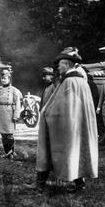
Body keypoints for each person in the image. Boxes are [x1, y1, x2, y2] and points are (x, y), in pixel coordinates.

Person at [35, 48, 98, 193]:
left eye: (61, 64)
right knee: (78, 151)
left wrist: (45, 113)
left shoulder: (69, 82)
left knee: (50, 150)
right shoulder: (81, 82)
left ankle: (40, 184)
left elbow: (59, 106)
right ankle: (80, 184)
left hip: (67, 127)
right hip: (78, 126)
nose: (58, 67)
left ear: (68, 64)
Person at [0, 68, 22, 159]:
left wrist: (16, 115)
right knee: (3, 134)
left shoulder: (14, 90)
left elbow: (18, 103)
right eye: (2, 78)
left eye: (5, 78)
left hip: (9, 112)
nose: (3, 80)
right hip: (1, 112)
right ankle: (7, 152)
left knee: (9, 134)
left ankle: (11, 152)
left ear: (9, 79)